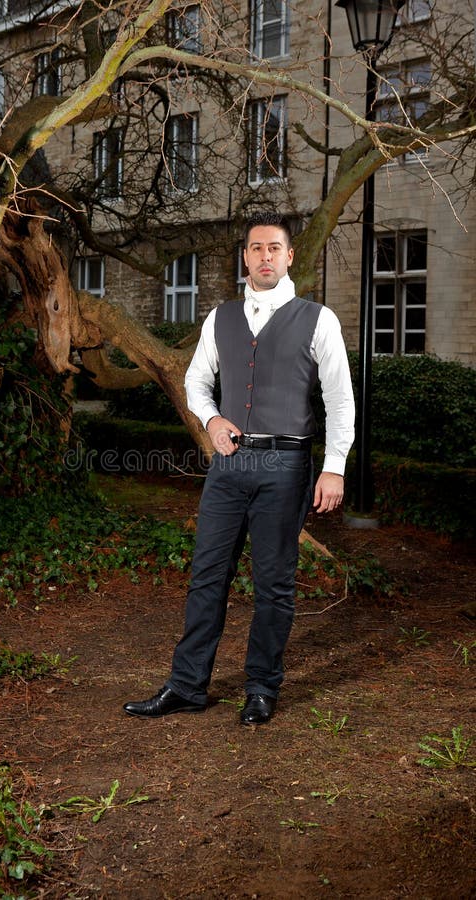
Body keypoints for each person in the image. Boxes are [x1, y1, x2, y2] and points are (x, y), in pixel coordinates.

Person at [124, 211, 355, 726]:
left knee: (274, 582)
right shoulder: (219, 318)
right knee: (207, 575)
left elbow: (341, 400)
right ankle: (186, 686)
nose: (264, 257)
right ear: (245, 256)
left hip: (286, 464)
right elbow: (195, 383)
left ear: (289, 256)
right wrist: (210, 419)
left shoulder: (318, 320)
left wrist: (334, 467)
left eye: (274, 248)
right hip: (229, 468)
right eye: (256, 249)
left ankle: (261, 687)